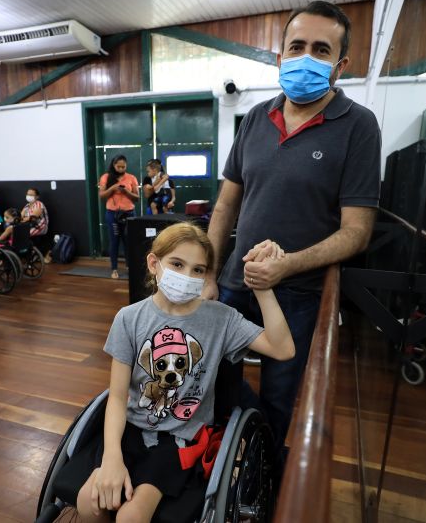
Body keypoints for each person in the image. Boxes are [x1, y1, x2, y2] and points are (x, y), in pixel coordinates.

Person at [201, 0, 381, 454]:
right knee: (214, 381)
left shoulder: (359, 126)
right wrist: (205, 273)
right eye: (296, 46)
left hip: (299, 294)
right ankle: (231, 453)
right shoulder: (256, 119)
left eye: (321, 50)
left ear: (340, 66)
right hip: (235, 283)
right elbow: (225, 205)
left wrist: (287, 266)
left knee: (284, 398)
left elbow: (357, 231)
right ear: (280, 57)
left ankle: (269, 476)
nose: (306, 57)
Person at [75, 223, 294, 523]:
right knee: (89, 504)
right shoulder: (129, 319)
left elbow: (283, 349)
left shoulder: (221, 319)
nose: (188, 276)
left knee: (130, 517)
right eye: (177, 264)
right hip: (131, 430)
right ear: (155, 264)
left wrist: (262, 288)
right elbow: (116, 397)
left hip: (180, 440)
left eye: (198, 270)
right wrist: (112, 456)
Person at [98, 155, 139, 279]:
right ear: (113, 165)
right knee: (114, 241)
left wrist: (126, 191)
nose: (121, 169)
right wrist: (113, 188)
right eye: (118, 166)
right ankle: (114, 269)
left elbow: (137, 198)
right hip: (112, 214)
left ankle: (129, 266)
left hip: (129, 214)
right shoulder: (105, 177)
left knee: (129, 241)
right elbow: (102, 195)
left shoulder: (131, 178)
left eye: (123, 166)